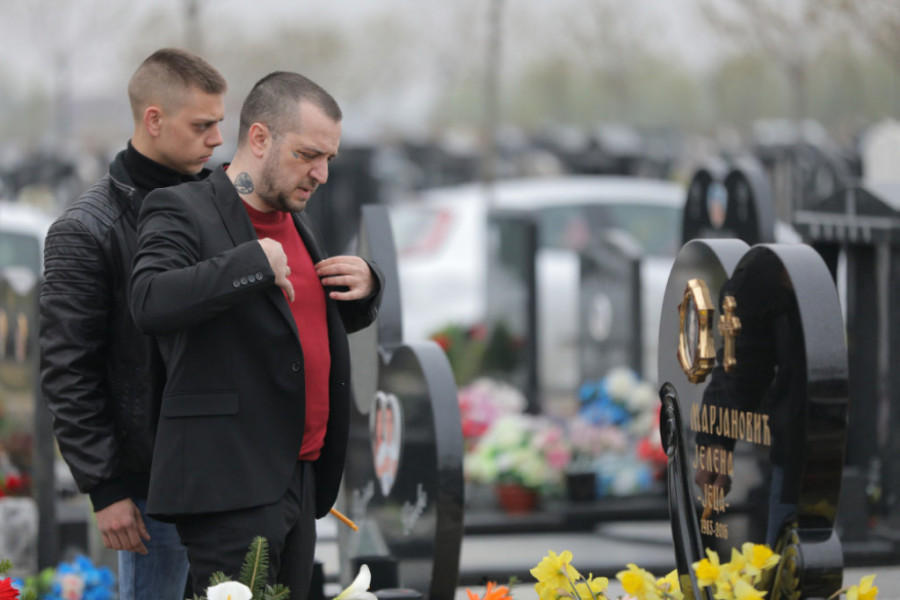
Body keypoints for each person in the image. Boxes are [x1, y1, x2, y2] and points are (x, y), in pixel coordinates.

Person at [129, 71, 383, 598]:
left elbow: (291, 329)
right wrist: (249, 264)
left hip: (302, 476)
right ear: (261, 138)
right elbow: (149, 301)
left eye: (329, 158)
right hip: (230, 482)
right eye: (308, 154)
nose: (321, 174)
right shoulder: (181, 208)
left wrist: (365, 288)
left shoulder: (297, 218)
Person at [39, 48, 227, 600]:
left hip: (228, 471)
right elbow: (68, 369)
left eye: (219, 123)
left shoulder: (221, 202)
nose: (218, 139)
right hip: (149, 487)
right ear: (154, 119)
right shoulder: (85, 229)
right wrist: (105, 488)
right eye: (202, 125)